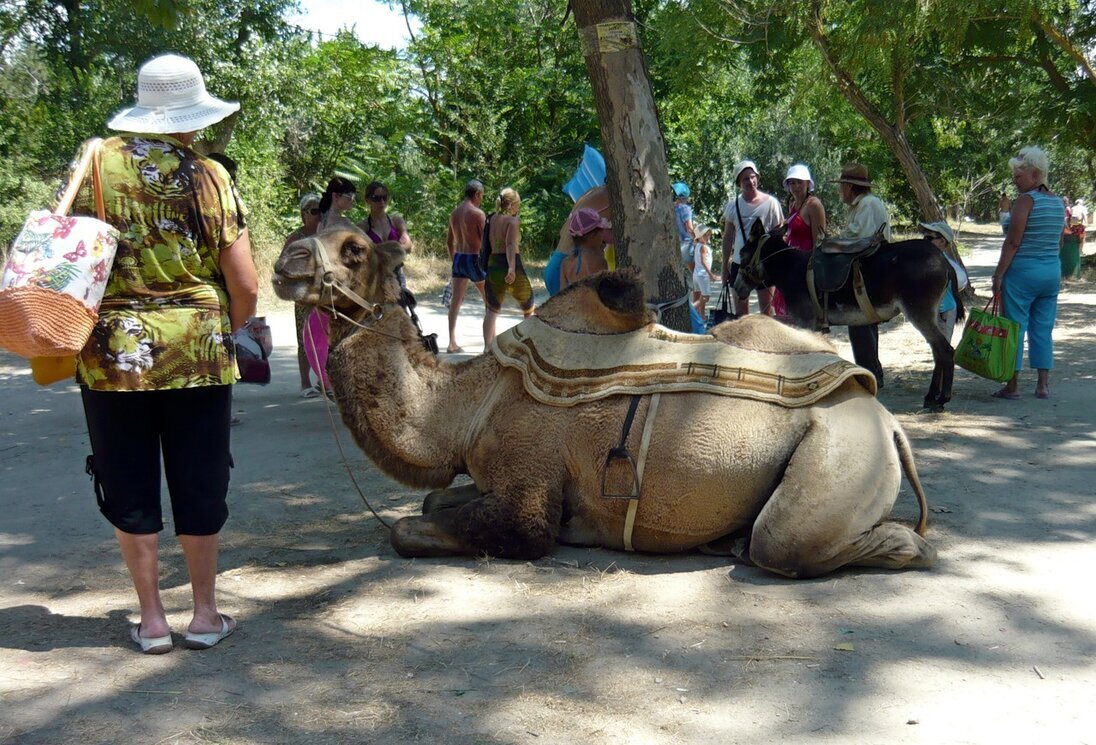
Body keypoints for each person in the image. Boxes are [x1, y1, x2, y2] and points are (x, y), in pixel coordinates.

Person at [65, 54, 257, 653]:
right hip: (197, 349)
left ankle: (151, 622)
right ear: (191, 115)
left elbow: (70, 256)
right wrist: (220, 327)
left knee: (129, 479)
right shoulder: (209, 177)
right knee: (200, 478)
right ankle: (204, 617)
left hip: (112, 354)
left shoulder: (95, 164)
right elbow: (246, 286)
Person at [991, 146, 1066, 400]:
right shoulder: (1057, 202)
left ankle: (1012, 386)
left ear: (1035, 175)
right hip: (1051, 273)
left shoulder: (1026, 201)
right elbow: (1060, 243)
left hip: (1023, 274)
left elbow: (1013, 242)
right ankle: (1042, 386)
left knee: (1015, 327)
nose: (1015, 179)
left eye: (1019, 175)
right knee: (1043, 329)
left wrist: (998, 274)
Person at [833, 162, 891, 387]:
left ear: (849, 186)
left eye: (842, 187)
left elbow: (859, 237)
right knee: (862, 322)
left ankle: (869, 372)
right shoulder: (863, 204)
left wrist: (834, 242)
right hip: (866, 264)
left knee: (859, 318)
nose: (840, 192)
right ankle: (871, 370)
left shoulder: (868, 204)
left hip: (868, 267)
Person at [722, 160, 784, 316]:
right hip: (739, 264)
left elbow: (780, 233)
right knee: (741, 315)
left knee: (767, 313)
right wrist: (724, 267)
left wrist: (779, 264)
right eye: (745, 179)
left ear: (758, 177)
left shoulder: (771, 204)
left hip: (765, 264)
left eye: (752, 177)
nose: (750, 181)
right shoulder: (732, 205)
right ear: (738, 183)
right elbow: (728, 237)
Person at [482, 187, 534, 346]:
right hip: (510, 262)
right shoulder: (512, 220)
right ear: (512, 204)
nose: (518, 208)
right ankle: (529, 343)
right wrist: (511, 268)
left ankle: (487, 347)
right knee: (529, 306)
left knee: (492, 308)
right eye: (518, 204)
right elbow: (510, 244)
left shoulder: (492, 218)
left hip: (493, 262)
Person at [283, 193, 324, 396]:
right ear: (304, 214)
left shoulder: (327, 235)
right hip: (303, 295)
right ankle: (305, 383)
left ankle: (323, 381)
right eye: (314, 211)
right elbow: (282, 265)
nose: (319, 215)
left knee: (325, 338)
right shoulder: (295, 238)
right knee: (305, 338)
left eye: (321, 211)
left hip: (325, 295)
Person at [774, 163, 826, 316]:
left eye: (800, 182)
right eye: (792, 183)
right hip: (791, 263)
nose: (796, 186)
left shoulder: (814, 205)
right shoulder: (793, 204)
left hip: (806, 265)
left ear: (808, 184)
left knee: (803, 312)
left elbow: (820, 240)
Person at [547, 185, 614, 296]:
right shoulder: (611, 200)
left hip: (555, 262)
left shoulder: (591, 192)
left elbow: (563, 230)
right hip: (577, 264)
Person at [445, 179, 487, 353]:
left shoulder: (454, 213)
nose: (482, 199)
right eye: (482, 196)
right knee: (489, 301)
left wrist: (455, 260)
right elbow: (485, 242)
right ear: (477, 194)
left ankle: (451, 342)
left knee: (456, 301)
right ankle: (488, 345)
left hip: (459, 258)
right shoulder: (478, 214)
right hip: (474, 258)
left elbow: (449, 242)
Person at [359, 180, 413, 288]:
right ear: (367, 200)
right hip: (374, 274)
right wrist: (395, 248)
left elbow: (408, 246)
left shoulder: (396, 221)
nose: (382, 202)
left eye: (385, 197)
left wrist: (377, 250)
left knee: (400, 303)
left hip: (396, 272)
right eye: (376, 198)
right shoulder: (362, 227)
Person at [919, 221, 967, 342]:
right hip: (937, 311)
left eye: (929, 238)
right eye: (924, 237)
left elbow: (961, 280)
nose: (925, 241)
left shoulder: (942, 262)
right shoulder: (932, 259)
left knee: (943, 348)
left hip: (944, 311)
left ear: (942, 241)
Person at [560, 207, 611, 290]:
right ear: (593, 236)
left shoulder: (565, 263)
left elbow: (562, 294)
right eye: (601, 231)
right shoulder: (599, 262)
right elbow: (605, 293)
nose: (602, 236)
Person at [691, 225, 718, 319]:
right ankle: (691, 309)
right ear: (700, 237)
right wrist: (710, 274)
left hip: (696, 275)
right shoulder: (703, 247)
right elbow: (703, 261)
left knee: (701, 295)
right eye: (705, 235)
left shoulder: (698, 246)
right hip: (702, 275)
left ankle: (701, 315)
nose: (708, 237)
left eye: (708, 235)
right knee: (706, 297)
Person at [673, 181, 697, 285]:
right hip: (686, 244)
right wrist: (697, 239)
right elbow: (689, 228)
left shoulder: (671, 208)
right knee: (696, 273)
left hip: (675, 243)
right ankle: (699, 298)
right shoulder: (686, 209)